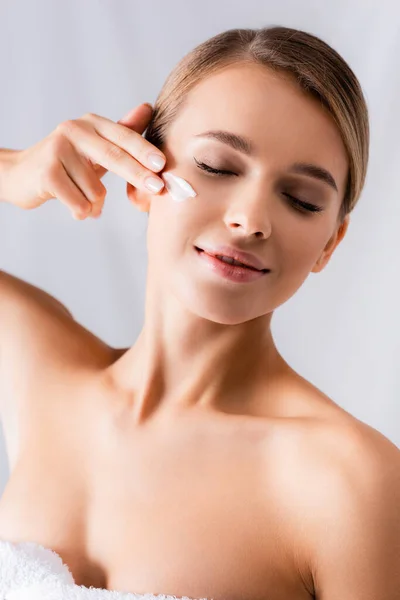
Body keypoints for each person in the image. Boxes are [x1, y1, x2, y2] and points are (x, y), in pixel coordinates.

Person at [0, 24, 399, 600]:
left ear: (329, 245)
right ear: (140, 174)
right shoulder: (41, 373)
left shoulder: (349, 481)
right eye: (217, 166)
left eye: (302, 200)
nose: (251, 218)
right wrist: (13, 171)